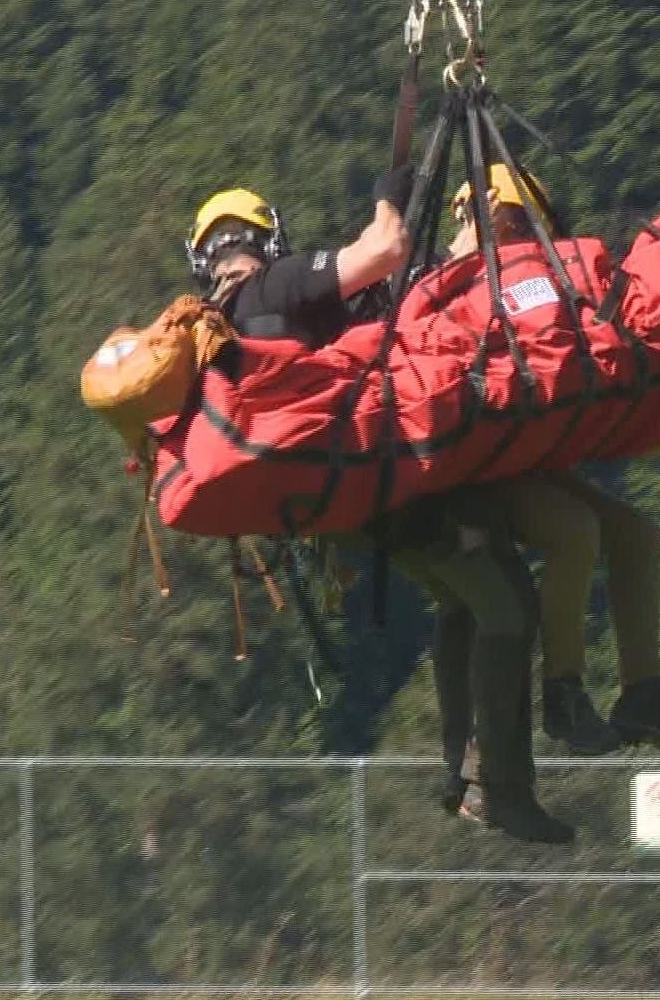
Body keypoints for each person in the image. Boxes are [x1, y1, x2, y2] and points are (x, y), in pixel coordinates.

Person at [186, 175, 573, 844]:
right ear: (264, 240)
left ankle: (464, 774)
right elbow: (385, 247)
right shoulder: (274, 287)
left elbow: (373, 321)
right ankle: (499, 786)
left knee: (463, 602)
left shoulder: (221, 328)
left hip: (339, 501)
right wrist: (392, 192)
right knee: (508, 606)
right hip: (371, 479)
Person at [445, 164, 660, 758]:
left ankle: (644, 693)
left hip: (519, 456)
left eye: (468, 219)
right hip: (469, 467)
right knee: (576, 531)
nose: (457, 236)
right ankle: (564, 694)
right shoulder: (446, 284)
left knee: (637, 534)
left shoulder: (542, 283)